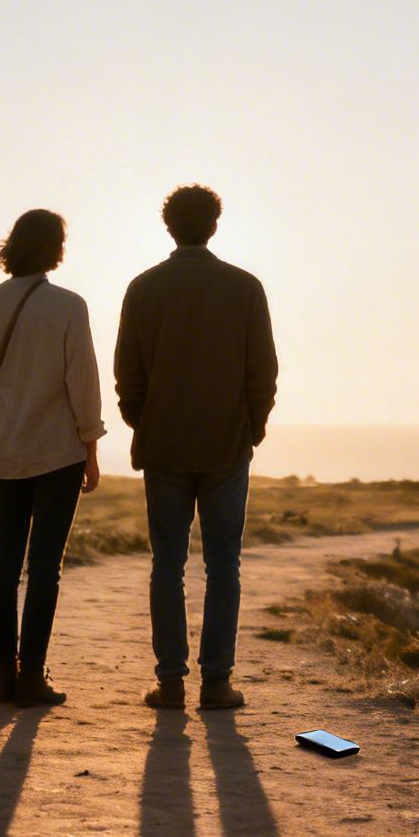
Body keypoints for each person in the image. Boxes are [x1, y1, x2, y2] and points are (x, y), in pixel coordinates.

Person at [113, 185, 278, 710]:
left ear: (168, 226)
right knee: (223, 564)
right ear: (215, 223)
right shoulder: (245, 287)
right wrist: (251, 429)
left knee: (167, 564)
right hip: (227, 446)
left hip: (163, 446)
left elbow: (127, 376)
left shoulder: (143, 288)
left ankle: (170, 682)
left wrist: (145, 421)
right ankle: (217, 682)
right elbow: (263, 373)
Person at [0, 209, 105, 707]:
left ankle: (4, 676)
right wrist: (91, 449)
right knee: (44, 568)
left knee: (4, 563)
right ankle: (32, 675)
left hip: (3, 452)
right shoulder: (68, 306)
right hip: (57, 454)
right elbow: (82, 383)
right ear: (55, 248)